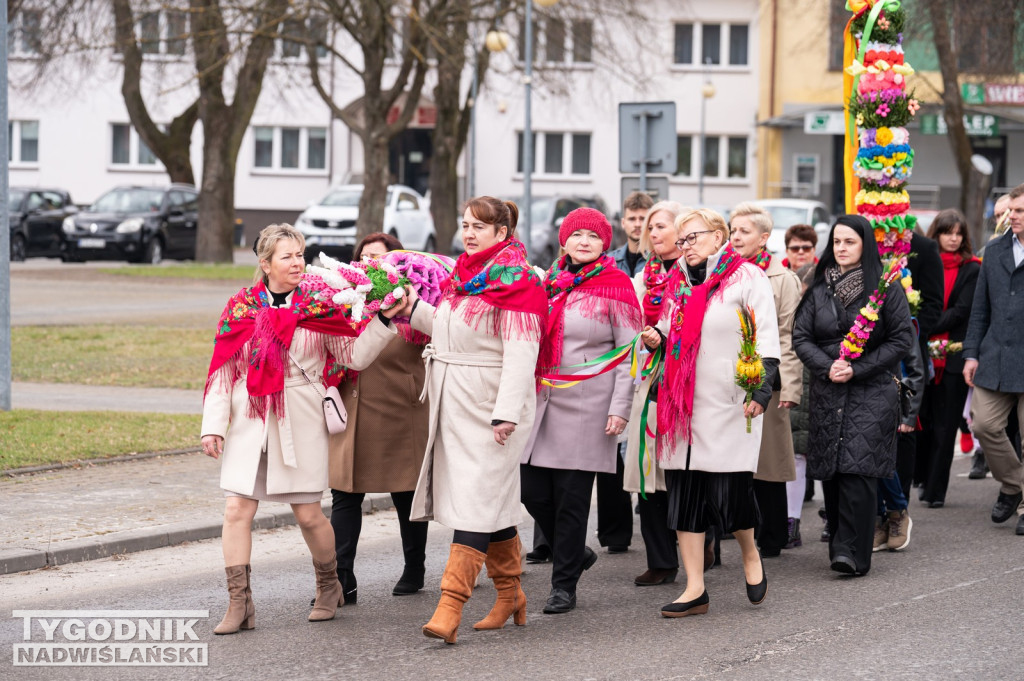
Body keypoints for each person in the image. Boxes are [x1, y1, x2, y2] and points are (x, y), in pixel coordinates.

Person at [200, 223, 411, 634]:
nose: (298, 263)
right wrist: (214, 427)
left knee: (310, 515)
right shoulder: (240, 307)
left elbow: (353, 356)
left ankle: (329, 585)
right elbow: (223, 371)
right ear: (265, 264)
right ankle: (239, 603)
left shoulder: (320, 304)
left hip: (300, 417)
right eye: (287, 256)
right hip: (251, 420)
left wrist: (383, 321)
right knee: (236, 509)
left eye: (300, 254)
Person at [407, 196, 546, 643]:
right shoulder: (462, 275)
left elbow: (523, 353)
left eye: (479, 227)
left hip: (493, 407)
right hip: (456, 402)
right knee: (492, 504)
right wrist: (406, 308)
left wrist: (506, 413)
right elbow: (452, 332)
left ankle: (450, 606)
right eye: (465, 225)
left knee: (476, 502)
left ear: (502, 234)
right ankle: (511, 594)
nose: (468, 233)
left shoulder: (520, 280)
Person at [645, 208, 780, 617]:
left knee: (730, 496)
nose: (686, 246)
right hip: (682, 403)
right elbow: (670, 328)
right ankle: (695, 588)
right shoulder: (679, 283)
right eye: (681, 240)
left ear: (719, 236)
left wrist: (762, 388)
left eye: (694, 237)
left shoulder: (747, 277)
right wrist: (656, 337)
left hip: (728, 401)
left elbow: (766, 335)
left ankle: (750, 554)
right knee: (684, 498)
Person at [521, 207, 642, 613]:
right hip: (544, 401)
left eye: (593, 235)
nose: (584, 241)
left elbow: (631, 353)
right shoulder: (550, 280)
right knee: (531, 490)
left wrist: (620, 407)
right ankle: (576, 553)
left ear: (605, 242)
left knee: (571, 499)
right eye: (577, 235)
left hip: (589, 404)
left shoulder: (616, 285)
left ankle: (563, 585)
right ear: (564, 240)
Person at [793, 215, 914, 576]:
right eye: (837, 242)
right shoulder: (818, 287)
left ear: (865, 245)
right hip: (829, 387)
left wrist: (857, 369)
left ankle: (854, 555)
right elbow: (801, 337)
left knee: (858, 469)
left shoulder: (886, 287)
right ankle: (839, 548)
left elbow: (901, 339)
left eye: (849, 242)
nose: (841, 249)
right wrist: (827, 366)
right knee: (832, 469)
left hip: (872, 388)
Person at [325, 232, 429, 606]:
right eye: (362, 257)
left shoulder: (413, 302)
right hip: (352, 411)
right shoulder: (341, 303)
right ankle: (341, 579)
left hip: (400, 410)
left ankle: (414, 567)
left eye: (378, 258)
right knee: (345, 494)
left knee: (406, 494)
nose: (368, 264)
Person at [729, 203, 802, 558]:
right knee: (734, 461)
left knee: (768, 462)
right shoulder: (725, 273)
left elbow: (788, 335)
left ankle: (773, 534)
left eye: (744, 231)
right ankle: (738, 526)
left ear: (764, 237)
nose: (736, 236)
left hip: (768, 379)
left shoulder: (782, 278)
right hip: (731, 380)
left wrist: (788, 385)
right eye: (733, 230)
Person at [623, 200, 688, 587]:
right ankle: (661, 559)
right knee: (648, 473)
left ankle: (702, 539)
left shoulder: (694, 273)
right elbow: (630, 321)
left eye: (661, 226)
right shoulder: (643, 277)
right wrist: (643, 341)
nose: (653, 233)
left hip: (684, 381)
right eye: (651, 227)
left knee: (685, 472)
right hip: (648, 378)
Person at [963, 183, 1024, 536]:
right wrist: (971, 354)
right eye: (1010, 210)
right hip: (995, 357)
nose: (1010, 216)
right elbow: (980, 309)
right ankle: (1014, 485)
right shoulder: (995, 250)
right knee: (984, 424)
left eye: (1018, 211)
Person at [598, 190, 654, 554]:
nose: (638, 224)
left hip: (650, 357)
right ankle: (615, 532)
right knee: (611, 448)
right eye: (631, 218)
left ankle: (654, 530)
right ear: (623, 222)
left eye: (644, 218)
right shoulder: (611, 262)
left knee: (645, 447)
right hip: (617, 360)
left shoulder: (662, 262)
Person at [918, 210, 981, 508]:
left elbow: (962, 310)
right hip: (921, 353)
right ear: (937, 234)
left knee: (946, 425)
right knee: (925, 422)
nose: (953, 238)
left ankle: (935, 491)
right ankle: (921, 479)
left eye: (958, 233)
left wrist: (925, 325)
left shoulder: (972, 268)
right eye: (947, 232)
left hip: (954, 355)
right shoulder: (923, 262)